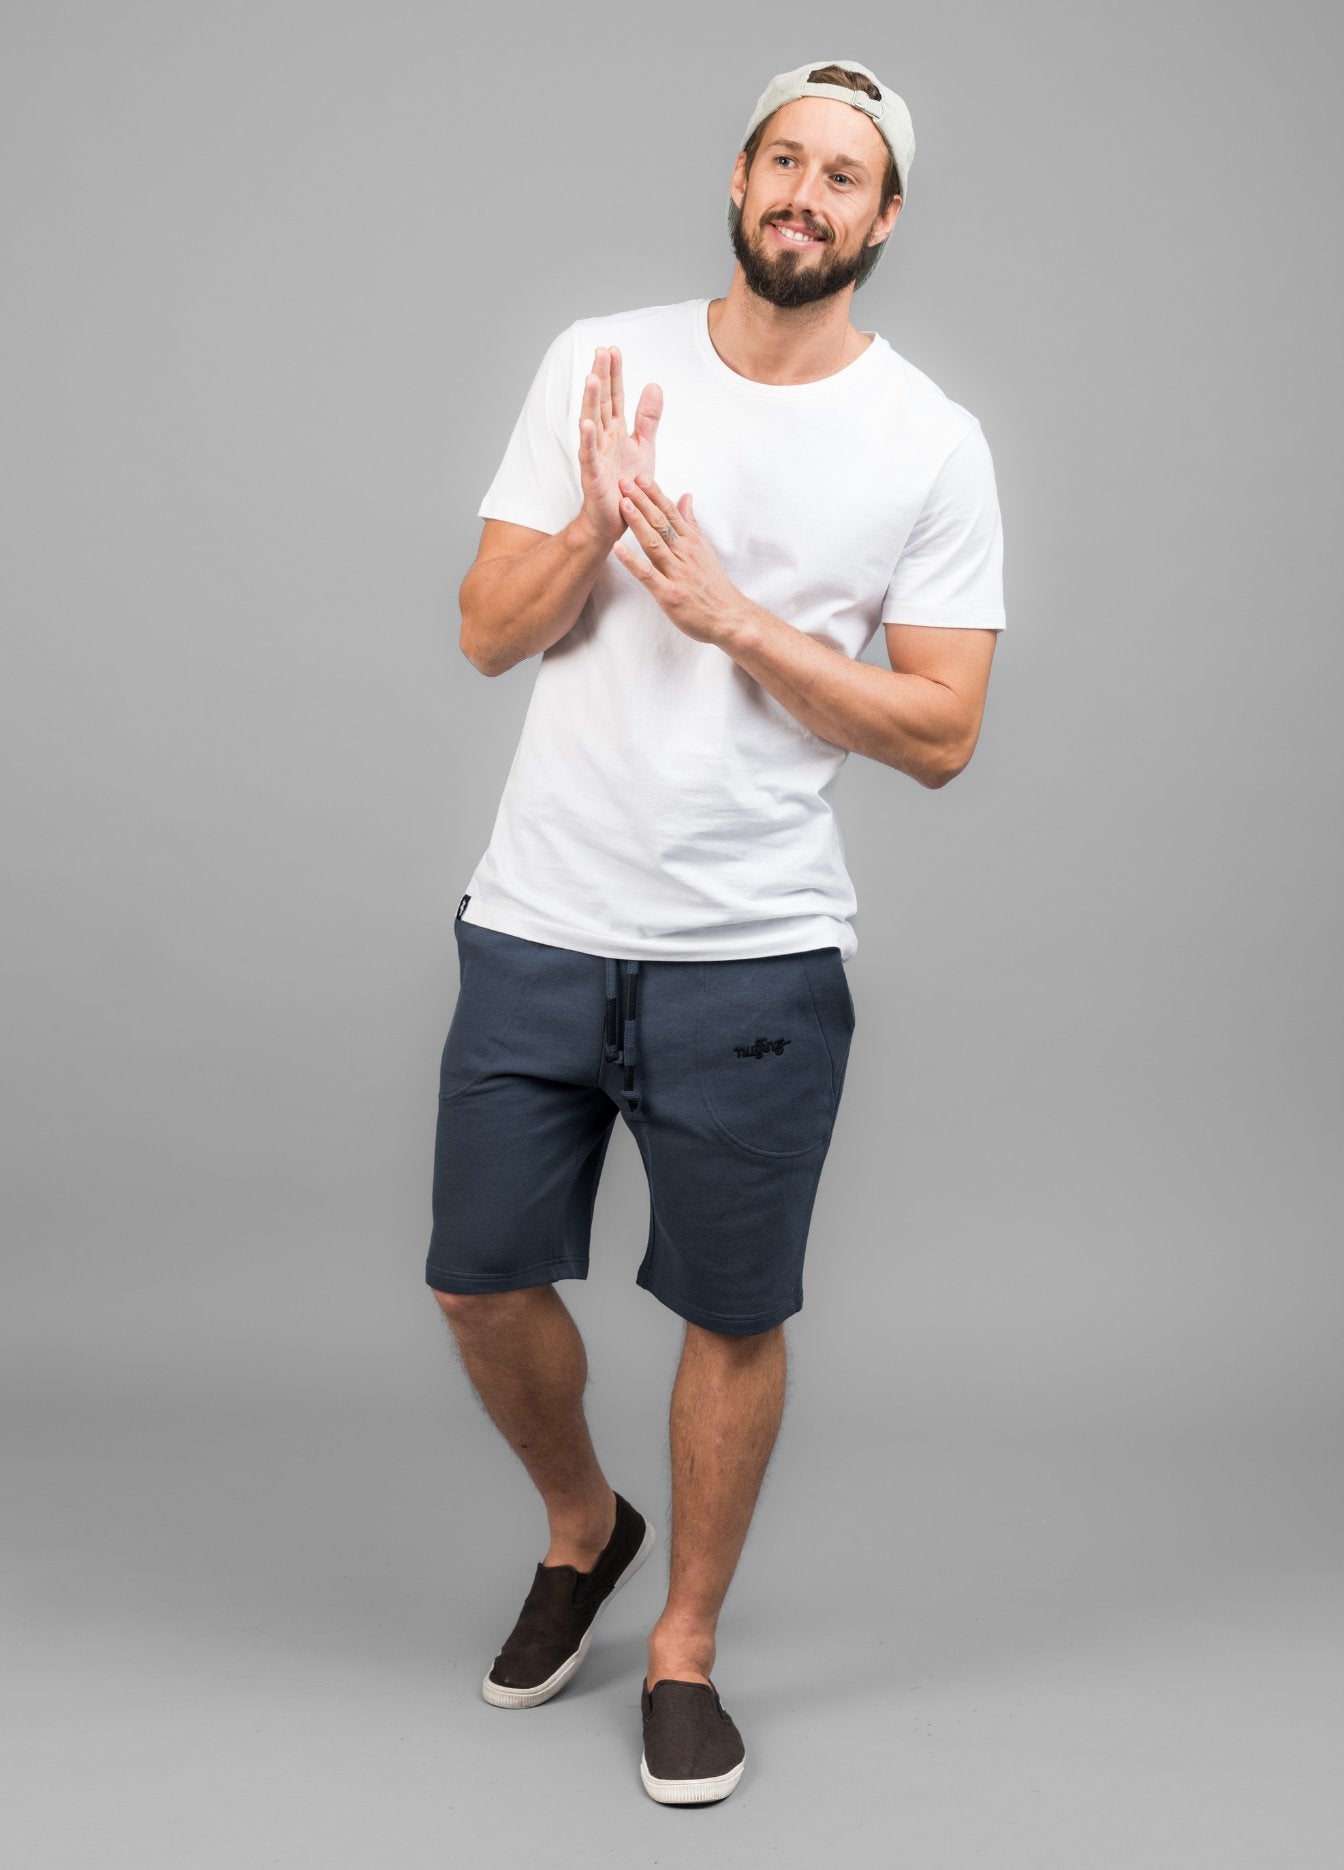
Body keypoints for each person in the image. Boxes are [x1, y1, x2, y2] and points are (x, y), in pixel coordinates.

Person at [425, 58, 1006, 1806]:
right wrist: (597, 521)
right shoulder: (598, 362)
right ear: (741, 178)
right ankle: (582, 1522)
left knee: (731, 1310)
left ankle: (682, 1647)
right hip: (538, 918)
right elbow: (486, 632)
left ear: (885, 218)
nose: (806, 196)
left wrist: (737, 620)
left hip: (755, 949)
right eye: (785, 161)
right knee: (476, 1278)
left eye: (846, 175)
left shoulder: (929, 441)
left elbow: (944, 731)